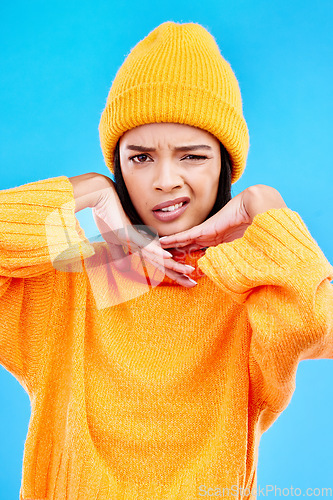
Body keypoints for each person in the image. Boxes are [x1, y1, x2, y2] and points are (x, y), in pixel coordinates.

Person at [0, 20, 332, 500]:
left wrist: (267, 207)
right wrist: (90, 190)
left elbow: (315, 322)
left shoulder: (249, 285)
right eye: (139, 158)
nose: (164, 180)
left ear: (224, 164)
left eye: (192, 156)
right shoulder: (77, 275)